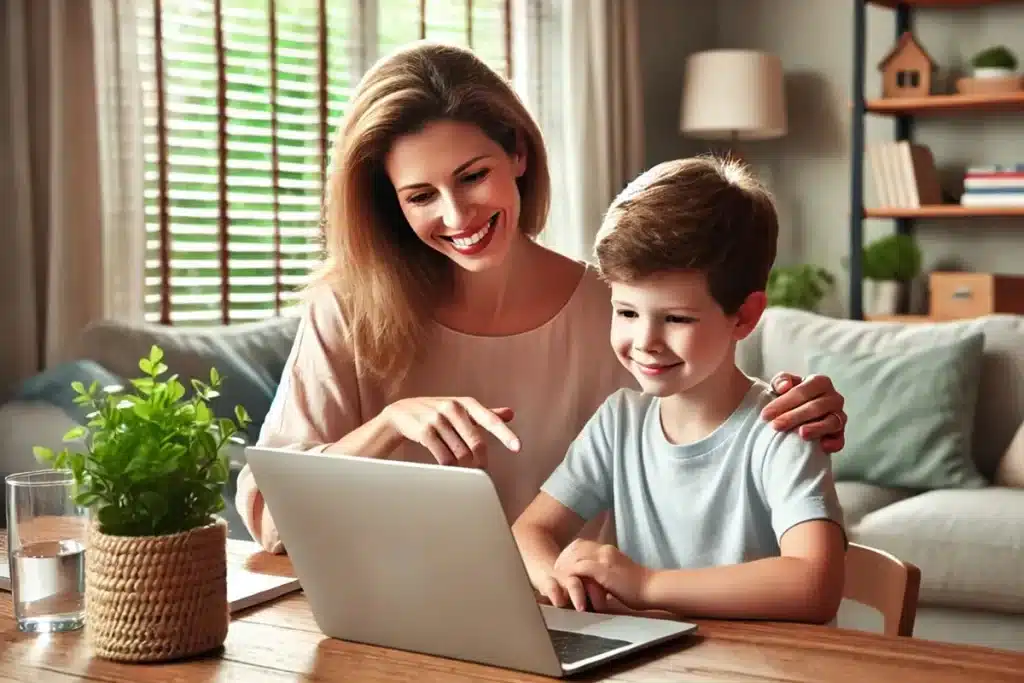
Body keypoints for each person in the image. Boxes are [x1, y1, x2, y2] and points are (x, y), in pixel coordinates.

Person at [235, 41, 849, 555]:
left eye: (473, 176)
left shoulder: (612, 310)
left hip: (588, 629)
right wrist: (389, 426)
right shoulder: (347, 312)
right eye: (420, 195)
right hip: (399, 627)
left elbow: (722, 425)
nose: (457, 215)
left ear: (518, 154)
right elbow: (269, 526)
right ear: (390, 204)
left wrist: (795, 408)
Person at [511, 156, 847, 625]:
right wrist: (559, 583)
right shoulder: (619, 422)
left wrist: (647, 585)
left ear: (744, 316)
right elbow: (531, 530)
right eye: (626, 312)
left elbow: (815, 586)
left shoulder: (782, 428)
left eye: (676, 319)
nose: (644, 341)